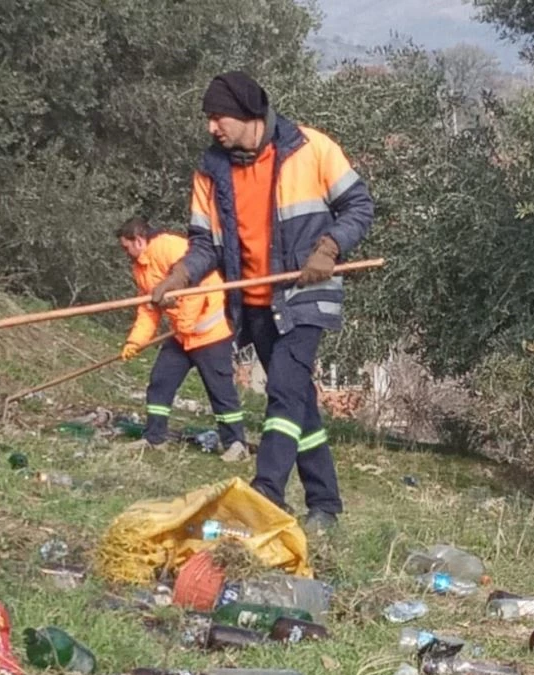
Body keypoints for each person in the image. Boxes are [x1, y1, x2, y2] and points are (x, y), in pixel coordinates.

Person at [151, 71, 373, 532]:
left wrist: (328, 248)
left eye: (219, 117)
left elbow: (359, 207)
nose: (212, 127)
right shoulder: (210, 170)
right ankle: (326, 506)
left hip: (305, 295)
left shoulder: (312, 148)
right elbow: (205, 244)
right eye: (209, 119)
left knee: (283, 392)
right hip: (252, 308)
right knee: (298, 403)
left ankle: (266, 493)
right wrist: (179, 275)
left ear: (250, 113)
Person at [117, 217, 249, 462]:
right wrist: (135, 342)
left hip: (210, 333)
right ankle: (154, 438)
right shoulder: (140, 268)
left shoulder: (170, 247)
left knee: (220, 391)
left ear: (138, 240)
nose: (125, 253)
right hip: (181, 336)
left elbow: (196, 284)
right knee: (160, 381)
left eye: (126, 247)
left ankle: (236, 445)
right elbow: (148, 309)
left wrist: (186, 324)